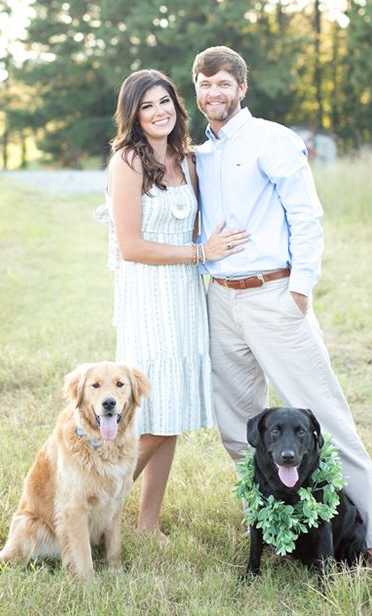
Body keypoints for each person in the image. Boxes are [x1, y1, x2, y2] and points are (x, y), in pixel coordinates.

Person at [192, 46, 372, 563]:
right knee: (240, 431)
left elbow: (306, 216)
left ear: (241, 88)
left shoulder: (273, 139)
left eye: (222, 83)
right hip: (222, 302)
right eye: (203, 83)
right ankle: (280, 529)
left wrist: (300, 288)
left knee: (325, 420)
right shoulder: (201, 153)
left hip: (274, 295)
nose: (213, 92)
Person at [94, 69, 247, 543]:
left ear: (176, 108)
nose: (159, 112)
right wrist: (203, 253)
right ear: (134, 115)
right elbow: (133, 245)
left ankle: (147, 522)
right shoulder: (127, 162)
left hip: (185, 296)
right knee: (153, 410)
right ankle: (92, 505)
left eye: (165, 102)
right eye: (147, 106)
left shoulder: (189, 159)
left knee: (173, 405)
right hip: (148, 295)